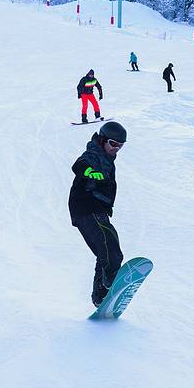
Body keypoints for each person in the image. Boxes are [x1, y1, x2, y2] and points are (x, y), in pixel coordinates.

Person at [68, 121, 127, 307]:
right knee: (111, 248)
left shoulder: (107, 158)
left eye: (120, 145)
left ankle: (100, 296)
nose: (116, 149)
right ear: (102, 140)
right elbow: (79, 165)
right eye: (113, 143)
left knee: (104, 253)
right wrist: (90, 173)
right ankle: (110, 284)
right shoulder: (94, 153)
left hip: (92, 209)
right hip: (88, 206)